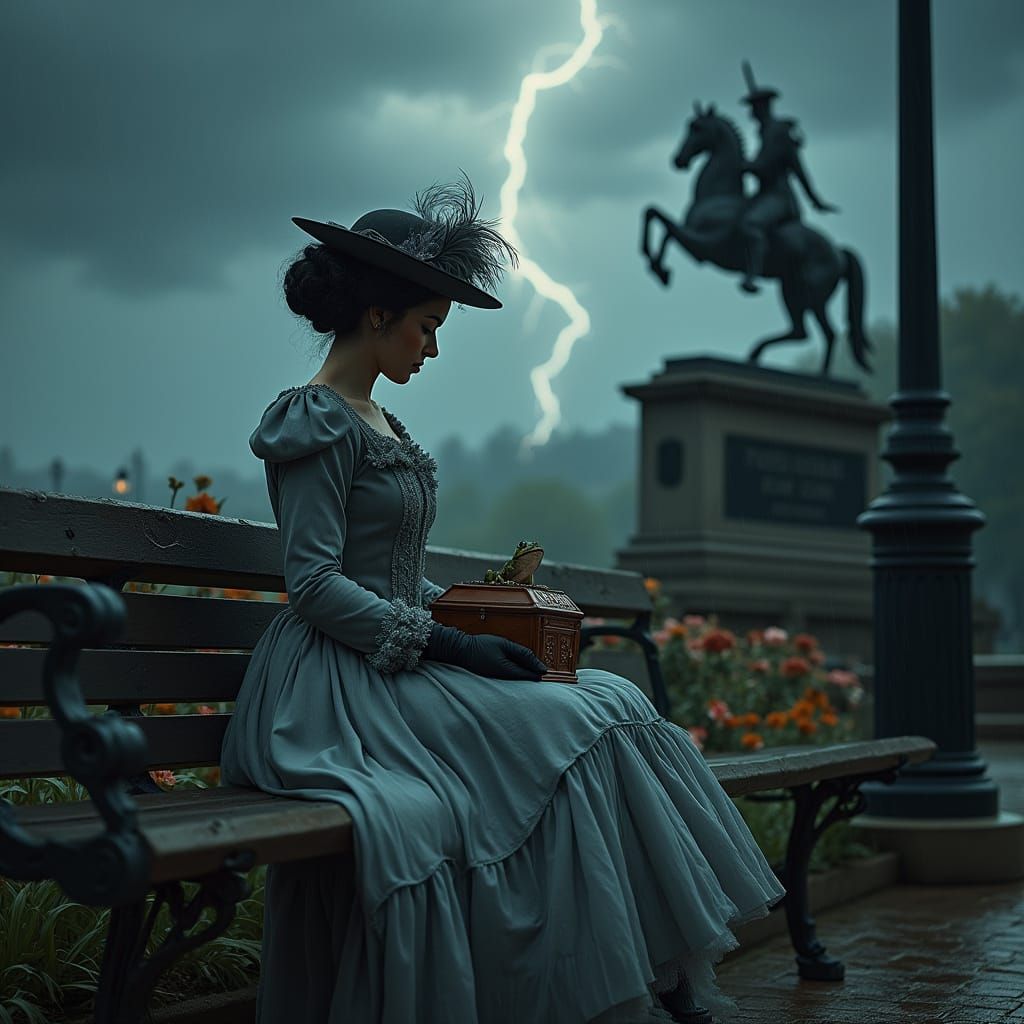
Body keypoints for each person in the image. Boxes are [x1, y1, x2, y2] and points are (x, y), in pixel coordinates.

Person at [220, 175, 785, 1024]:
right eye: (427, 326)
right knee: (567, 727)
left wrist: (476, 613)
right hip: (336, 683)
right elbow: (315, 586)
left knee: (614, 700)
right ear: (377, 314)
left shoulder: (378, 419)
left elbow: (398, 575)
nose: (431, 349)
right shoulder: (317, 419)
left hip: (396, 660)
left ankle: (656, 974)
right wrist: (451, 644)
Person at [736, 63, 838, 294]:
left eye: (754, 107)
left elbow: (772, 167)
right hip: (764, 195)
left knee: (751, 224)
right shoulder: (765, 132)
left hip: (779, 198)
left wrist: (745, 166)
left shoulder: (778, 133)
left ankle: (752, 275)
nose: (751, 112)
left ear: (763, 108)